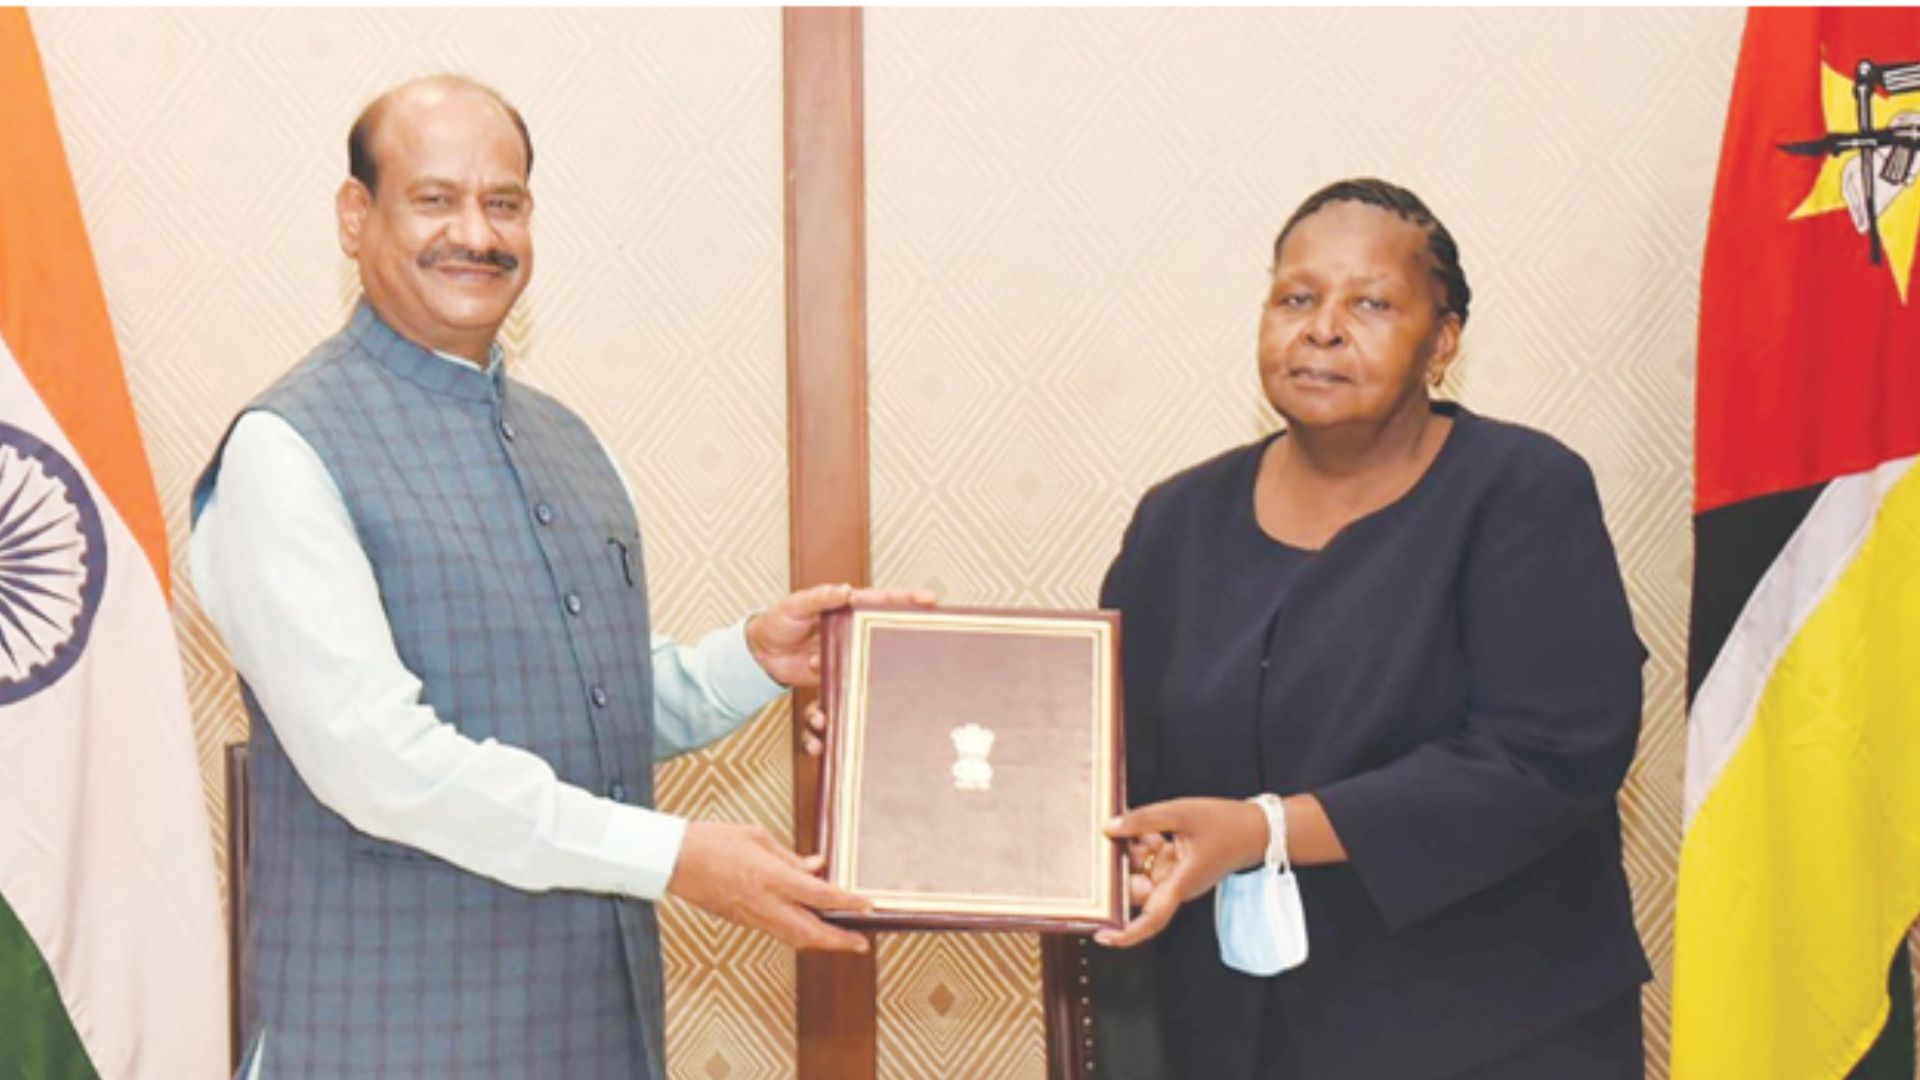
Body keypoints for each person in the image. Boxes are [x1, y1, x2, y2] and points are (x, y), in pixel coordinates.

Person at [190, 75, 926, 1079]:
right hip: (390, 1043)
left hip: (592, 1032)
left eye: (505, 203)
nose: (477, 234)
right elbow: (378, 762)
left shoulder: (570, 444)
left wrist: (753, 661)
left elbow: (589, 709)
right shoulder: (283, 451)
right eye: (436, 198)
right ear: (355, 217)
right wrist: (676, 858)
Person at [1091, 178, 1650, 1079]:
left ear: (1445, 339)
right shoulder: (1178, 519)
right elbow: (1102, 745)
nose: (1322, 328)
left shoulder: (1521, 492)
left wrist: (1262, 830)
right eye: (1297, 297)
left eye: (1373, 304)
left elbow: (1548, 757)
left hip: (1489, 1029)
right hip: (1231, 1035)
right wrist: (890, 739)